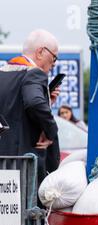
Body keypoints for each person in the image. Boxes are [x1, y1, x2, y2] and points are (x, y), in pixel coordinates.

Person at [0, 29, 60, 185]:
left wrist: (47, 102)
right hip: (25, 168)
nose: (53, 64)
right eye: (54, 57)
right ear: (40, 52)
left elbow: (14, 109)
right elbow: (34, 102)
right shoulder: (35, 74)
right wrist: (50, 131)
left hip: (4, 164)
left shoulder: (3, 73)